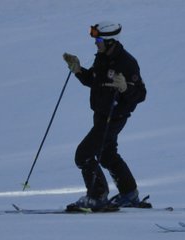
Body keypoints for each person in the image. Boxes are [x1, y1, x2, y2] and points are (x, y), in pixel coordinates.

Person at [61, 21, 147, 211]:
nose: (95, 43)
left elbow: (141, 94)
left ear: (110, 42)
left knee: (83, 155)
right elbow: (94, 80)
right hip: (100, 114)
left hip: (114, 117)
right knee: (106, 155)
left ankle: (97, 196)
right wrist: (78, 70)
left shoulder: (127, 62)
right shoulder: (102, 58)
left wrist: (125, 88)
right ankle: (129, 193)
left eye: (98, 39)